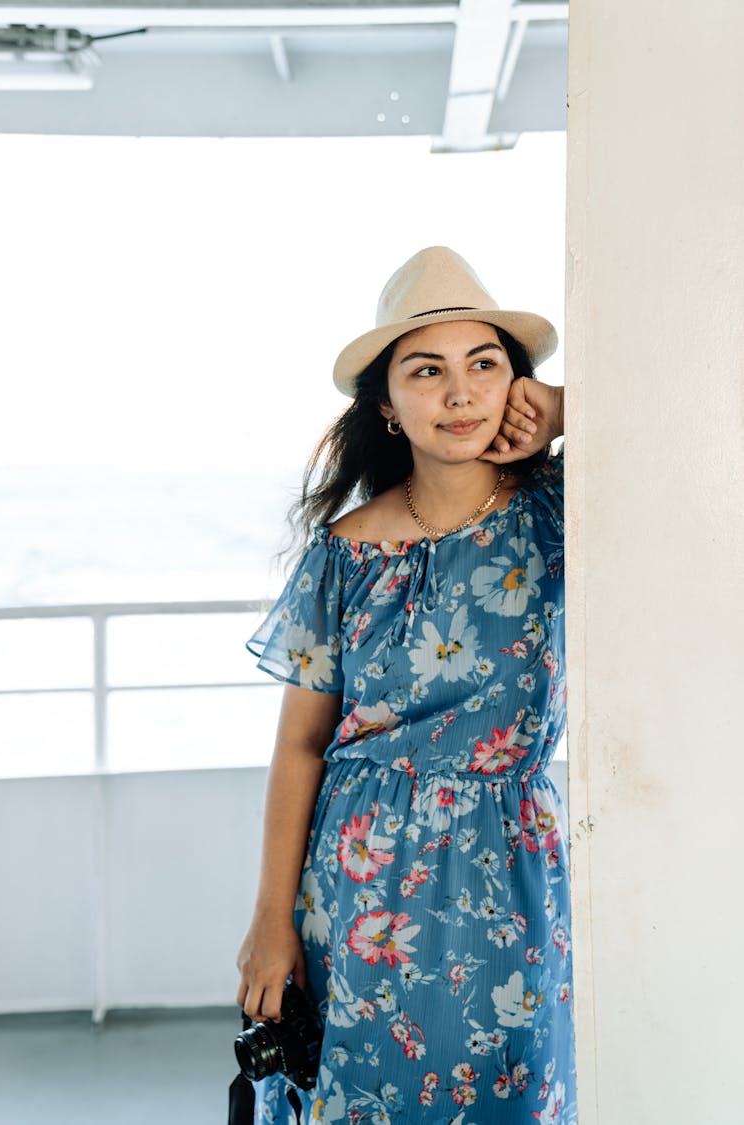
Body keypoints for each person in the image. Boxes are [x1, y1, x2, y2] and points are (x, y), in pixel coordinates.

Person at [236, 246, 575, 1124]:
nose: (460, 394)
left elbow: (698, 412)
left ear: (516, 385)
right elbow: (301, 743)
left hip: (512, 870)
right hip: (359, 879)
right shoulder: (344, 550)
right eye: (427, 371)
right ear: (387, 406)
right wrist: (271, 921)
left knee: (516, 1094)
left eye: (485, 365)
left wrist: (568, 411)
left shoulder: (563, 507)